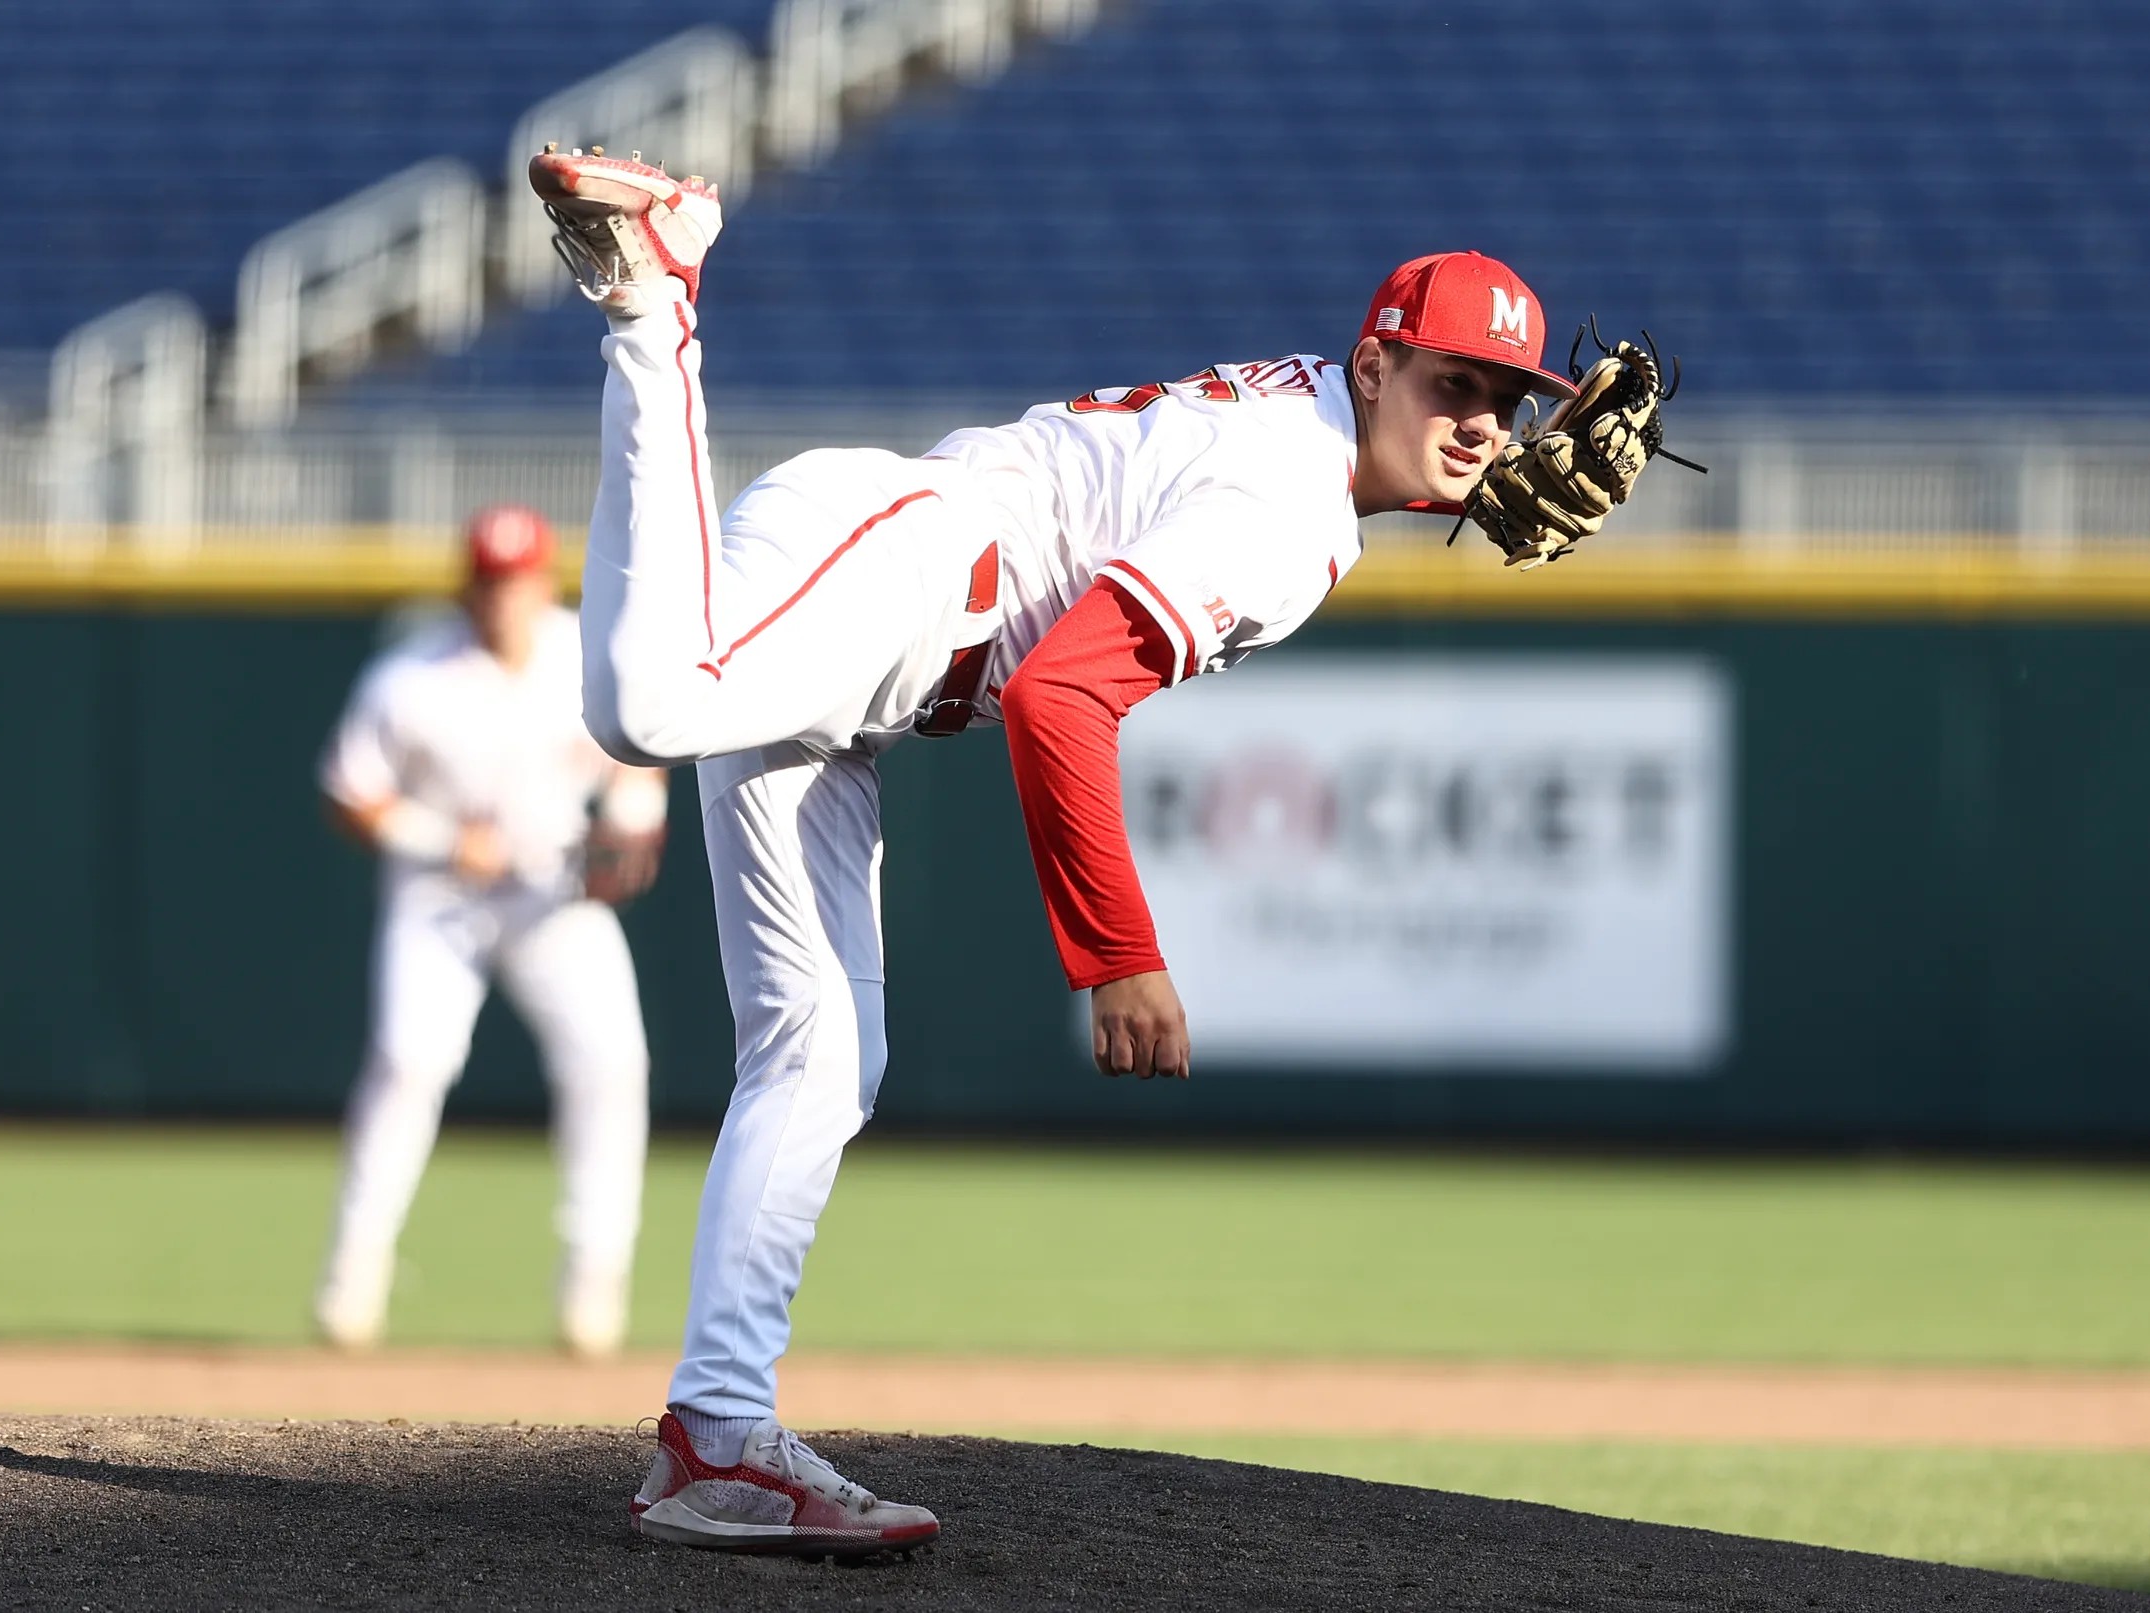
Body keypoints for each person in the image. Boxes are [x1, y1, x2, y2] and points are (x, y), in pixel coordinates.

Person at [528, 147, 1579, 1557]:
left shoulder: (1307, 424)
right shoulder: (1294, 507)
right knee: (651, 704)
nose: (1485, 427)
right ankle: (656, 300)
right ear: (1376, 363)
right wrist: (1120, 954)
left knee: (824, 1051)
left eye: (1506, 404)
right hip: (904, 571)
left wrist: (1431, 469)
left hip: (889, 642)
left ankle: (716, 1438)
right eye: (1455, 385)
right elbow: (1062, 694)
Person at [313, 504, 670, 1358]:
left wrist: (631, 817)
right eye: (487, 579)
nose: (501, 595)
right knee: (409, 1060)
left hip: (555, 889)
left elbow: (638, 756)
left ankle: (596, 1274)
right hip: (441, 898)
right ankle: (354, 1269)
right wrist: (434, 838)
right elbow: (347, 788)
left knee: (612, 1062)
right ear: (466, 585)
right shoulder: (411, 675)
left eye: (515, 578)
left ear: (542, 581)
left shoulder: (586, 654)